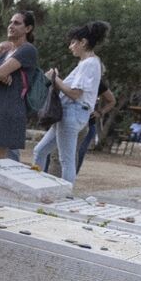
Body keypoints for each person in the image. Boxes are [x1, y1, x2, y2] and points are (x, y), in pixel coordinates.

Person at [32, 21, 108, 183]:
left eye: (74, 42)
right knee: (40, 151)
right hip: (71, 113)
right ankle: (35, 183)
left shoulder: (89, 64)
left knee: (65, 159)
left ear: (83, 42)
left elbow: (74, 94)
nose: (71, 46)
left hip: (72, 112)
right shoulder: (88, 63)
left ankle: (66, 194)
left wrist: (55, 77)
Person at [0, 11, 38, 161]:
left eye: (17, 23)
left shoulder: (27, 50)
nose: (11, 26)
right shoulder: (7, 53)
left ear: (28, 28)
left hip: (8, 109)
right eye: (10, 22)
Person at [75, 80, 115, 173]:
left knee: (79, 153)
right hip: (70, 119)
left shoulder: (98, 83)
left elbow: (112, 101)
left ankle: (71, 180)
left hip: (87, 123)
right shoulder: (77, 77)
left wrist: (100, 112)